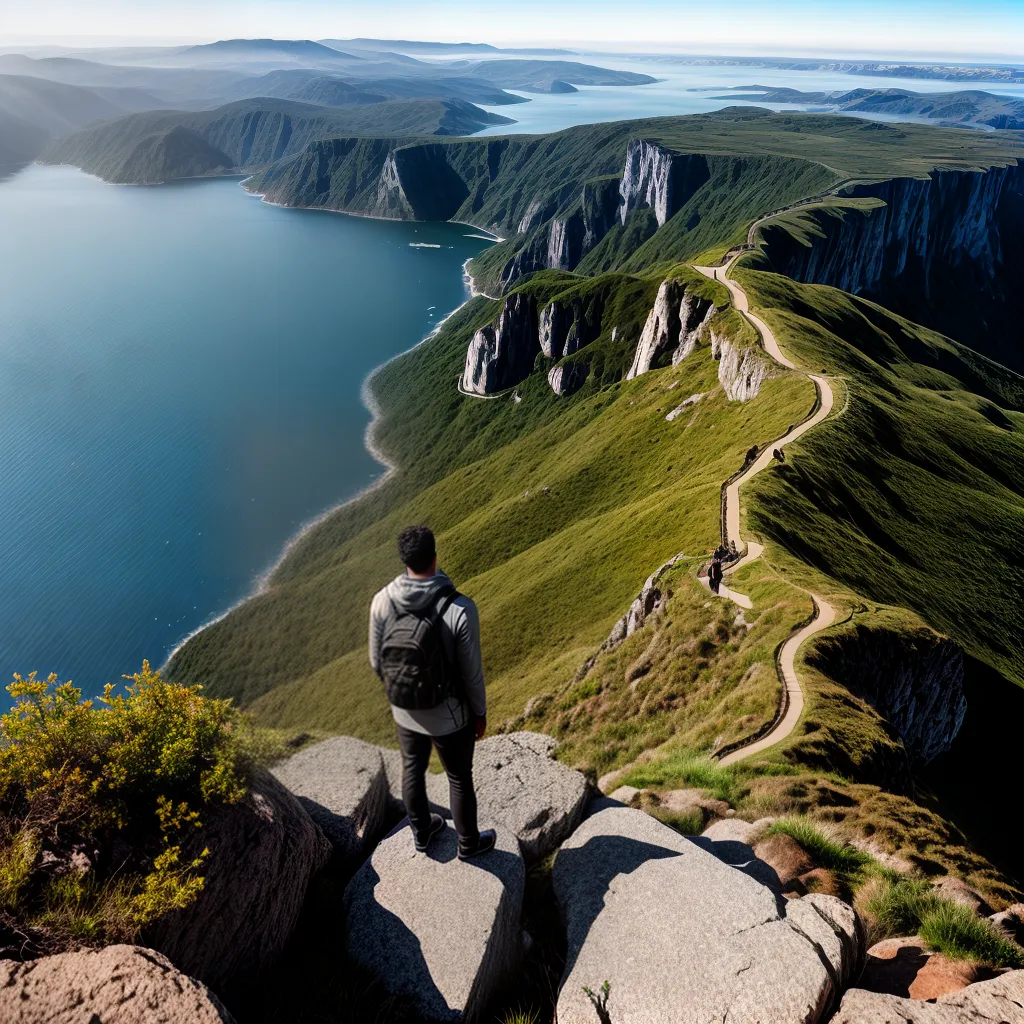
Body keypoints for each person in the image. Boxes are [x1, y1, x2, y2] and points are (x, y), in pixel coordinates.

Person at [369, 525, 496, 860]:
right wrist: (480, 713)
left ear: (405, 561)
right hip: (449, 715)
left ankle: (422, 832)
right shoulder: (460, 608)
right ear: (435, 557)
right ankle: (468, 844)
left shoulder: (382, 600)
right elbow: (472, 674)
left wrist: (405, 693)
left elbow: (376, 660)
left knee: (412, 767)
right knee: (459, 778)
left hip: (404, 709)